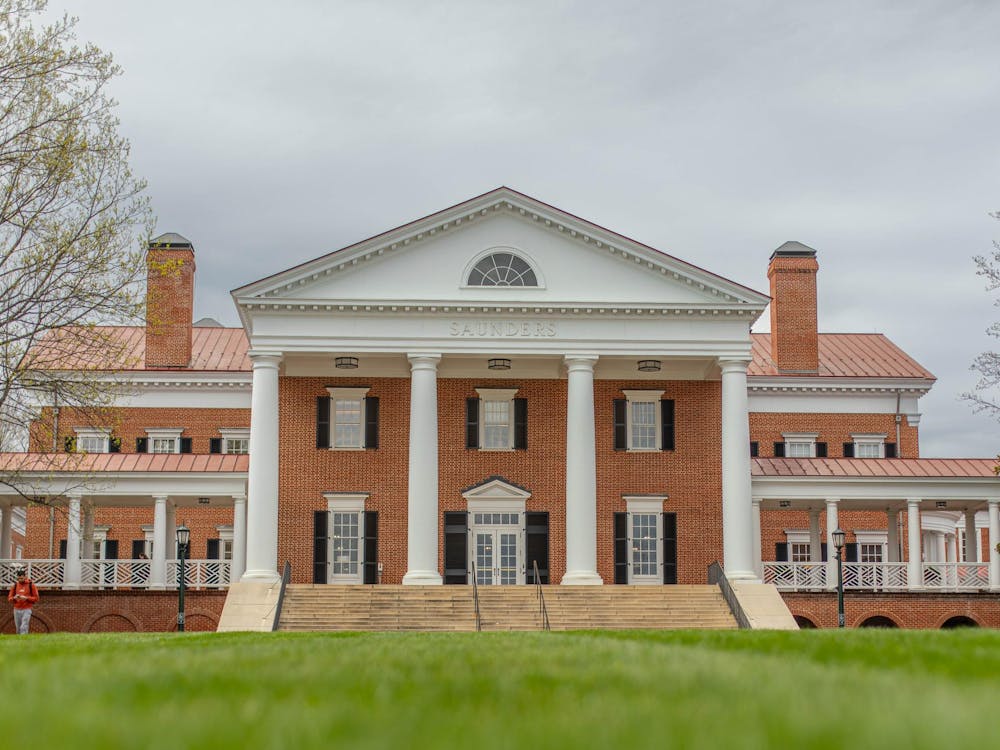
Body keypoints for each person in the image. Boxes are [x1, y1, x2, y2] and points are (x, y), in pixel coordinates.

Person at [8, 567, 39, 635]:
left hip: (27, 609)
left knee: (24, 626)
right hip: (16, 609)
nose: (20, 580)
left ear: (25, 577)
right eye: (18, 578)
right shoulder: (15, 585)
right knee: (18, 628)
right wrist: (14, 598)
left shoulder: (31, 585)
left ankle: (24, 638)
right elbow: (9, 598)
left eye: (21, 578)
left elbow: (36, 598)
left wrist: (26, 598)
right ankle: (20, 640)